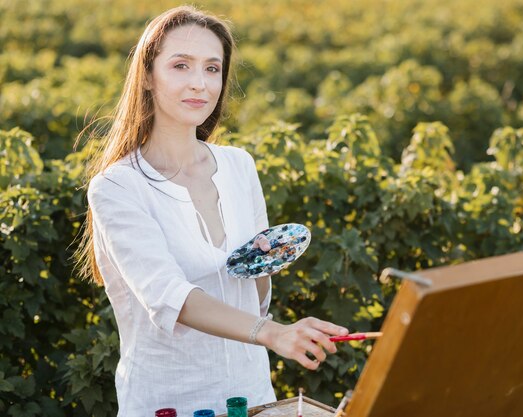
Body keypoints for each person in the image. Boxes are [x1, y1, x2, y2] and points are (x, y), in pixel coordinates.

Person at [75, 6, 348, 416]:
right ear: (148, 76)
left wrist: (268, 259)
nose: (199, 84)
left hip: (250, 396)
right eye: (181, 66)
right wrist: (274, 334)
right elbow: (170, 297)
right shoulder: (117, 187)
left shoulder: (239, 166)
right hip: (170, 403)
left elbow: (253, 292)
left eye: (212, 68)